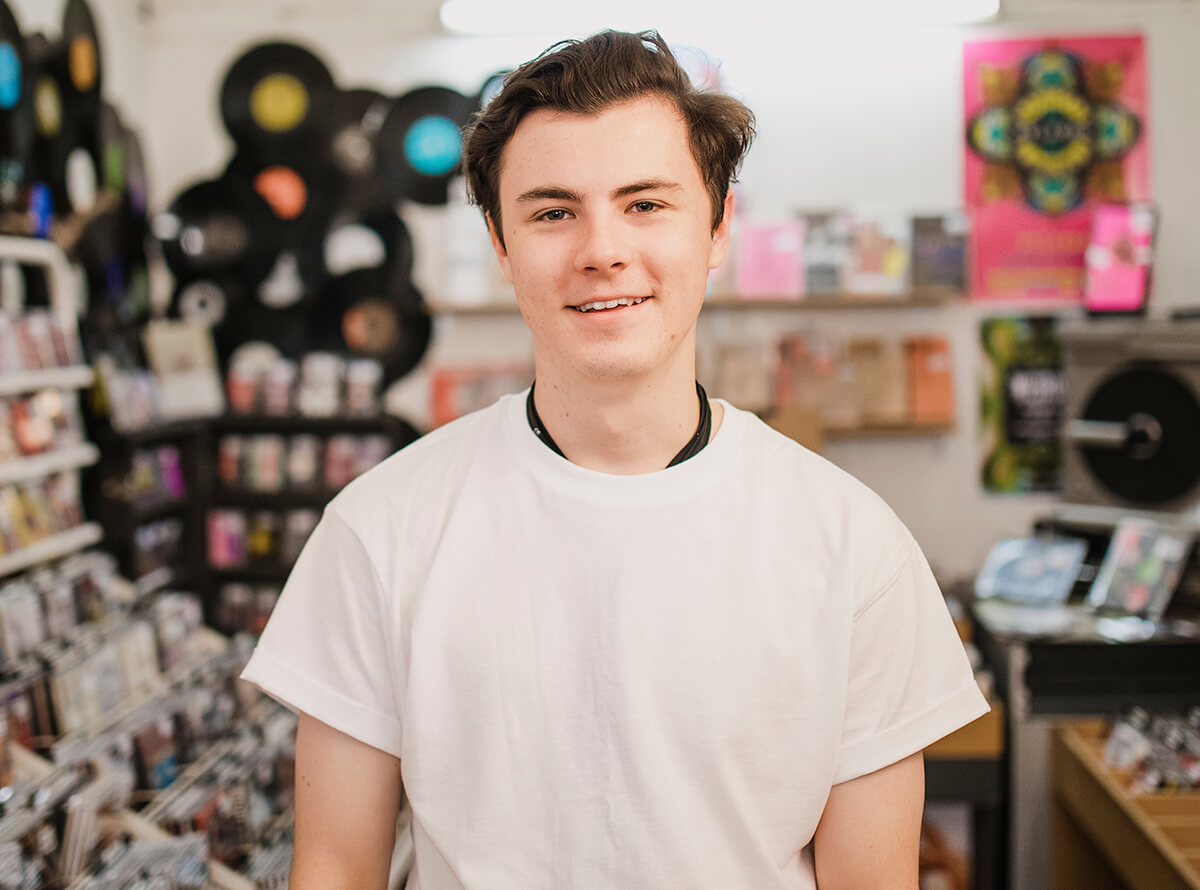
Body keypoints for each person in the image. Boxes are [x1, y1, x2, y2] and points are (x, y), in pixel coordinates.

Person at [240, 29, 988, 890]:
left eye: (646, 204)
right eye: (554, 211)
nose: (602, 249)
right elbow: (334, 867)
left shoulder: (854, 546)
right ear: (500, 244)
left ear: (717, 226)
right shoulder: (380, 530)